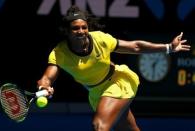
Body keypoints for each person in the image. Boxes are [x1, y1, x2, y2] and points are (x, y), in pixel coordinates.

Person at [37, 5, 190, 131]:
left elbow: (135, 47)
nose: (81, 31)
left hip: (118, 82)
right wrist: (45, 87)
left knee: (99, 126)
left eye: (84, 27)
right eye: (76, 28)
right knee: (129, 129)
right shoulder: (60, 53)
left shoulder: (100, 39)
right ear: (67, 31)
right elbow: (47, 77)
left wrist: (169, 47)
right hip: (96, 93)